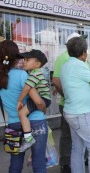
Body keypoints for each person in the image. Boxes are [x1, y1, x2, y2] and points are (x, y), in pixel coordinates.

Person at [0, 40, 48, 172]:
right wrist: (43, 108)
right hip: (36, 122)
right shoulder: (22, 75)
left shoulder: (2, 78)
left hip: (13, 124)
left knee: (15, 164)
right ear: (16, 56)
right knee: (38, 162)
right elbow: (38, 101)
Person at [60, 36, 90, 173]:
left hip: (71, 111)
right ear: (83, 52)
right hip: (81, 113)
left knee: (77, 148)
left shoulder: (66, 65)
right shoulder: (80, 65)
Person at [53, 32, 87, 173]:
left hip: (82, 103)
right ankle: (65, 162)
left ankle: (83, 157)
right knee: (67, 134)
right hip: (67, 104)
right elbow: (56, 80)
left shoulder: (84, 56)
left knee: (83, 132)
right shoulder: (62, 58)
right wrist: (67, 96)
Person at [16, 50, 50, 151]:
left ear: (37, 64)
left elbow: (27, 88)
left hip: (43, 98)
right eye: (24, 59)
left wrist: (19, 101)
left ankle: (28, 139)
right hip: (44, 98)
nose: (24, 62)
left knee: (22, 113)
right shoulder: (34, 72)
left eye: (28, 60)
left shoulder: (34, 74)